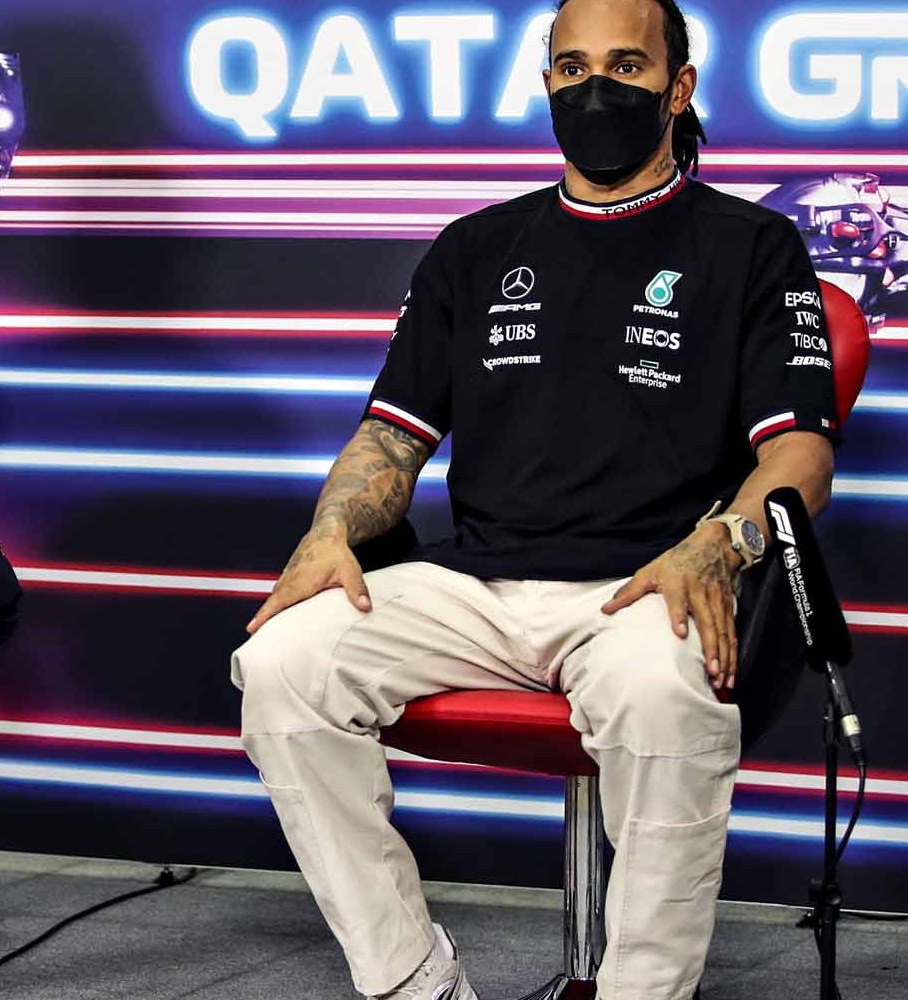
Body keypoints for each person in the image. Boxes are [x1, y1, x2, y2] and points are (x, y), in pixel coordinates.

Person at [229, 0, 839, 997]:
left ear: (678, 89)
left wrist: (716, 545)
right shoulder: (474, 249)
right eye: (572, 68)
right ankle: (415, 983)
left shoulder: (756, 247)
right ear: (547, 82)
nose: (596, 91)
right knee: (282, 663)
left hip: (646, 588)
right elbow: (390, 437)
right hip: (479, 583)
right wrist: (332, 528)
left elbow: (801, 457)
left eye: (627, 66)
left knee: (659, 696)